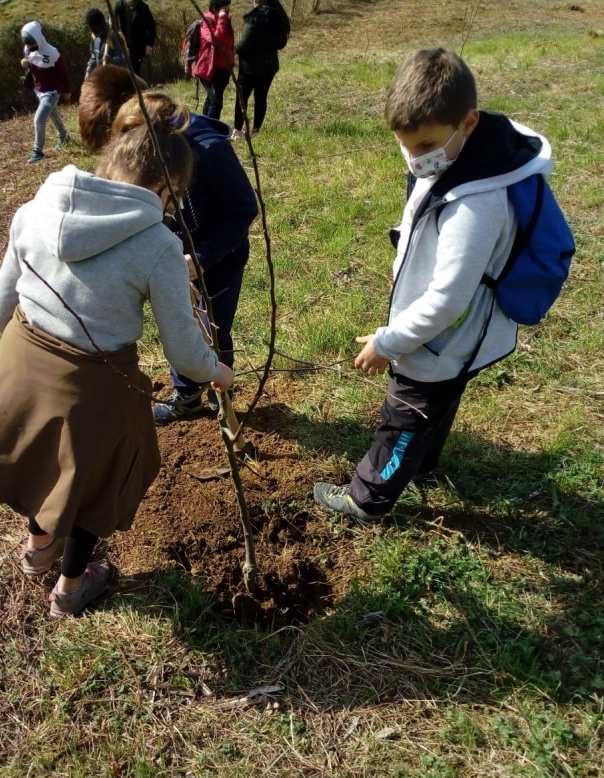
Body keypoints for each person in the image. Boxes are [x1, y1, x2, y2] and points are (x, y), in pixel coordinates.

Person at [0, 97, 235, 618]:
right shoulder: (158, 244)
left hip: (13, 370)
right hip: (94, 386)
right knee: (100, 473)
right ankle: (71, 587)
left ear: (110, 163)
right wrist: (218, 372)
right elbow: (184, 353)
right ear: (169, 192)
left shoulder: (33, 210)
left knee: (48, 462)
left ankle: (39, 547)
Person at [313, 48, 557, 522]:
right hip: (455, 340)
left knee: (404, 414)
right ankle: (423, 462)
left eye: (424, 146)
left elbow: (447, 300)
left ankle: (367, 500)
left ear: (468, 122)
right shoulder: (458, 159)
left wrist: (389, 341)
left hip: (444, 340)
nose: (414, 158)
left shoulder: (477, 205)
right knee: (438, 403)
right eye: (406, 146)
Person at [76, 66, 258, 424]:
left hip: (220, 258)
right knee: (178, 323)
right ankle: (186, 396)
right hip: (170, 253)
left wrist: (200, 260)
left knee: (215, 326)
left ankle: (223, 400)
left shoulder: (209, 148)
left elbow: (243, 209)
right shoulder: (146, 161)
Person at [231, 0, 290, 140]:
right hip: (270, 65)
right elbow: (282, 43)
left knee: (242, 97)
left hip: (250, 68)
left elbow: (242, 45)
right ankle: (256, 130)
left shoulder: (254, 17)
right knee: (261, 97)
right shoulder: (279, 15)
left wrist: (235, 48)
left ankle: (238, 131)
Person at [21, 20, 71, 164]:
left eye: (32, 42)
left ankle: (38, 151)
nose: (30, 46)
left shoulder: (52, 53)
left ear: (38, 38)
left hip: (52, 92)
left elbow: (63, 74)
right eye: (28, 43)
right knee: (52, 113)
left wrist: (67, 91)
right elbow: (28, 63)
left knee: (39, 119)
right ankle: (64, 136)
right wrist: (24, 63)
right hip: (39, 90)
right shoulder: (28, 49)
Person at [193, 0, 236, 121]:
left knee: (212, 98)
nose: (227, 9)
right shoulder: (207, 20)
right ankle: (213, 129)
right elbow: (216, 40)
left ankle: (204, 124)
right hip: (210, 69)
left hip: (225, 67)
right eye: (225, 7)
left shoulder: (225, 18)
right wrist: (222, 18)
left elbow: (229, 41)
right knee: (216, 99)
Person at [112, 0, 156, 79]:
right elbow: (114, 25)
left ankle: (139, 89)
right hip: (123, 46)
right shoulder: (119, 6)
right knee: (123, 72)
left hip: (137, 46)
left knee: (135, 72)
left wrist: (149, 45)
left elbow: (152, 27)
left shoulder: (143, 7)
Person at [85, 8, 126, 76]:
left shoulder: (114, 35)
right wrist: (88, 70)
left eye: (93, 28)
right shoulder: (94, 36)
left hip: (116, 76)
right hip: (103, 76)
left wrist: (111, 60)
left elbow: (124, 58)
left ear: (99, 25)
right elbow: (94, 56)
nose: (92, 31)